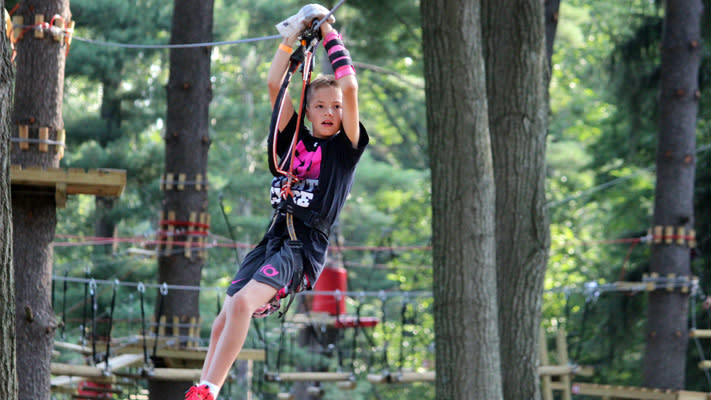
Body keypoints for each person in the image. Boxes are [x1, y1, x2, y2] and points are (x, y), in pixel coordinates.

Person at [184, 4, 368, 400]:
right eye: (319, 106)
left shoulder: (344, 148)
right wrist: (292, 42)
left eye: (335, 107)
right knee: (228, 310)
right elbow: (275, 84)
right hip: (274, 237)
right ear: (307, 110)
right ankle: (201, 387)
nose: (330, 112)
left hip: (303, 247)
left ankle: (210, 390)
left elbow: (349, 87)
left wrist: (329, 35)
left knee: (244, 303)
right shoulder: (294, 140)